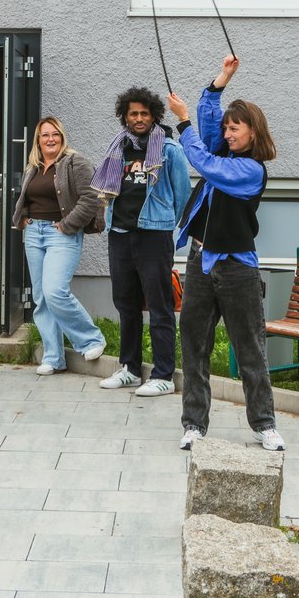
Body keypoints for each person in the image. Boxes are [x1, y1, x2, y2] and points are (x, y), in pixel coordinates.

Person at [167, 55, 285, 452]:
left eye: (236, 129)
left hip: (237, 268)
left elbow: (201, 159)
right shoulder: (225, 152)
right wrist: (223, 78)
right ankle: (194, 425)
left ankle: (264, 425)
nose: (228, 133)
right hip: (200, 261)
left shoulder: (250, 171)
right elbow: (207, 112)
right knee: (194, 346)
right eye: (227, 129)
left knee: (250, 347)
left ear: (254, 133)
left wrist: (182, 124)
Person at [92, 87, 191, 395]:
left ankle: (162, 374)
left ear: (154, 116)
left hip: (153, 238)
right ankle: (130, 369)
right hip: (119, 234)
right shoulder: (117, 148)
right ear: (125, 115)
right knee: (127, 305)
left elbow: (183, 198)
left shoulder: (169, 151)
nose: (138, 119)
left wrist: (164, 229)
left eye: (144, 114)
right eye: (133, 113)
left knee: (160, 306)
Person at [13, 116, 106, 375]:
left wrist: (67, 224)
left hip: (61, 234)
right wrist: (22, 217)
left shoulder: (74, 162)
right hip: (34, 233)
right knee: (42, 298)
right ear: (38, 141)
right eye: (45, 135)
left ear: (62, 137)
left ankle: (91, 339)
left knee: (55, 291)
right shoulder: (34, 166)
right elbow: (28, 197)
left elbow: (92, 197)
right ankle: (53, 357)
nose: (50, 139)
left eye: (55, 134)